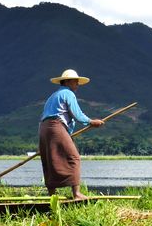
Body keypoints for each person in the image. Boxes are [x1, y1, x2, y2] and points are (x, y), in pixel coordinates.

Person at [38, 69, 104, 200]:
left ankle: (52, 195)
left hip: (44, 129)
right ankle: (77, 194)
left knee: (49, 159)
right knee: (74, 157)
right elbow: (76, 113)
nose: (77, 84)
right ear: (67, 82)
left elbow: (44, 117)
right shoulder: (67, 93)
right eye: (75, 81)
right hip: (56, 127)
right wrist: (91, 122)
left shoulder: (53, 96)